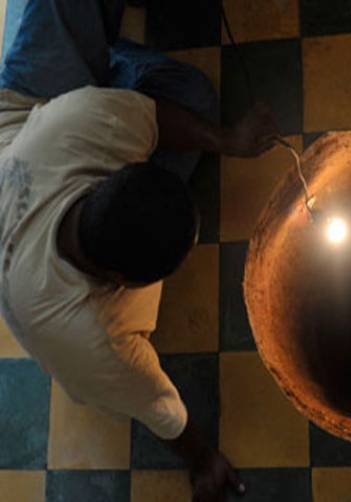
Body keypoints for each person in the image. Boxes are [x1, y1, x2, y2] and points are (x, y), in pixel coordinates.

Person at [0, 1, 279, 500]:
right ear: (122, 283)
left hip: (20, 118)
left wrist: (229, 142)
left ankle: (104, 64)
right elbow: (162, 411)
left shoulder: (80, 126)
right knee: (192, 97)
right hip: (45, 138)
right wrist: (204, 461)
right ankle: (110, 65)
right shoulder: (98, 346)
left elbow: (150, 122)